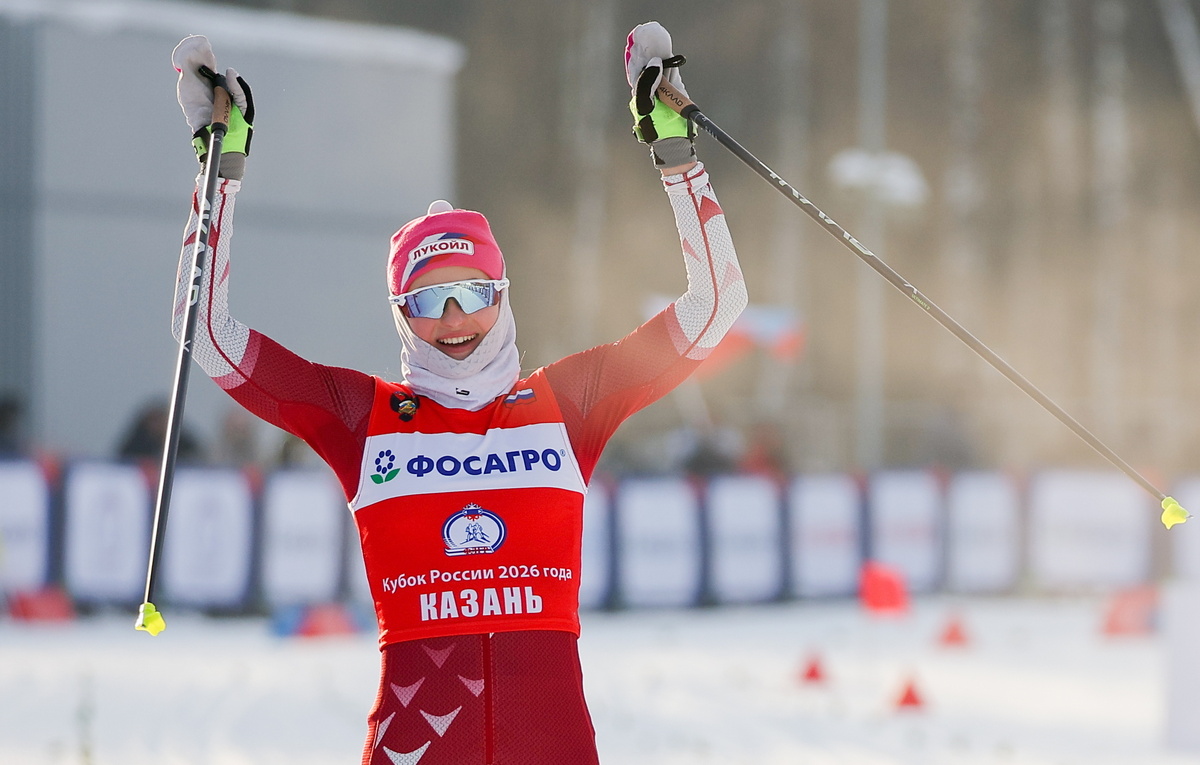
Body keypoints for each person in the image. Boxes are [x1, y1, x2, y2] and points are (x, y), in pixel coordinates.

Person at [170, 21, 746, 764]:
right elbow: (206, 333)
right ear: (399, 314)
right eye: (426, 300)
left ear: (502, 295)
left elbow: (716, 306)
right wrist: (219, 176)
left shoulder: (570, 403)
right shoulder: (363, 417)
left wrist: (677, 158)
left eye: (472, 292)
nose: (453, 320)